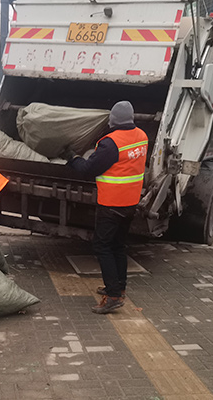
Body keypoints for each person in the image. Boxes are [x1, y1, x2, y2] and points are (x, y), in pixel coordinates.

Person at [65, 101, 148, 314]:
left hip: (112, 204)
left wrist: (72, 158)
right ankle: (119, 288)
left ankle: (113, 296)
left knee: (102, 246)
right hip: (130, 202)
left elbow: (88, 168)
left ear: (113, 120)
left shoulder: (111, 144)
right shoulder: (142, 136)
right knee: (118, 246)